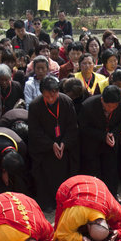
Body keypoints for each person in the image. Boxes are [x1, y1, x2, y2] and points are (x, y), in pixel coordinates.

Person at [27, 76, 80, 209]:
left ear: (58, 91)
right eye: (47, 96)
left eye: (53, 95)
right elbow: (34, 131)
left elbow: (72, 126)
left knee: (65, 174)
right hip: (45, 148)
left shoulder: (66, 101)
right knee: (45, 176)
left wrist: (64, 143)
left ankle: (65, 201)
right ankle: (48, 203)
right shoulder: (35, 105)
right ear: (41, 93)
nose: (51, 99)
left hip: (64, 146)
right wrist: (50, 144)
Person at [53, 175, 121, 241]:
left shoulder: (113, 209)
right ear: (87, 226)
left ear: (107, 223)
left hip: (97, 186)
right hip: (70, 185)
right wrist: (82, 239)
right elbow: (62, 234)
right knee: (62, 225)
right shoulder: (75, 213)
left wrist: (118, 232)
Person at [78, 85, 121, 197]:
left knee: (111, 171)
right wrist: (102, 135)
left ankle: (111, 197)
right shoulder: (88, 106)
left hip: (111, 142)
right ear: (102, 100)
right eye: (108, 106)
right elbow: (83, 127)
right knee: (94, 172)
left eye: (114, 107)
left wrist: (113, 134)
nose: (110, 110)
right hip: (92, 144)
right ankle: (95, 198)